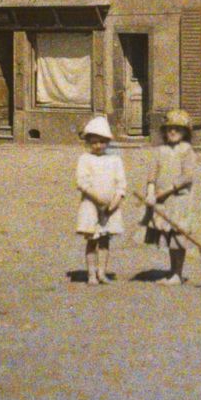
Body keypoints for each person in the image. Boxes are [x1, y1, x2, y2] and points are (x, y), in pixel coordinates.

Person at [143, 108, 197, 285]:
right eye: (169, 129)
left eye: (177, 129)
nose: (172, 132)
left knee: (178, 236)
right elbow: (152, 174)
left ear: (185, 132)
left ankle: (177, 273)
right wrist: (151, 192)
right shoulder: (160, 151)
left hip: (179, 200)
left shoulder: (186, 150)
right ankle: (172, 270)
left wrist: (166, 191)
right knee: (167, 234)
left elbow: (187, 176)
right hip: (162, 202)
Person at [75, 114, 127, 285]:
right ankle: (91, 274)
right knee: (92, 240)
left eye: (102, 142)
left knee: (104, 241)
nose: (98, 146)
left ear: (108, 142)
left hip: (110, 207)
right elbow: (82, 182)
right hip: (91, 204)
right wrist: (97, 198)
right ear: (88, 143)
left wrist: (115, 201)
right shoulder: (85, 159)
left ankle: (102, 272)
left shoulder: (115, 160)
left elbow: (121, 183)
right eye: (94, 142)